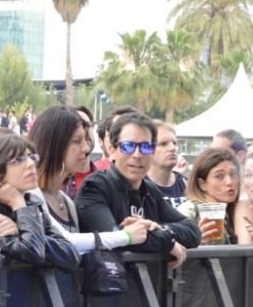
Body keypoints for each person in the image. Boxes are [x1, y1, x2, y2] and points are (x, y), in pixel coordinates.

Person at [75, 112, 200, 268]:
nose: (137, 155)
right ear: (112, 150)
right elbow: (116, 237)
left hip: (148, 288)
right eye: (128, 146)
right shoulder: (94, 187)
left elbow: (193, 231)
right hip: (106, 287)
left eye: (146, 147)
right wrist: (167, 241)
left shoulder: (150, 191)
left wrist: (159, 228)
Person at [28, 106, 147, 251]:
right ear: (54, 144)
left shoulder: (66, 202)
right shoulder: (31, 195)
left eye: (85, 140)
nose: (86, 148)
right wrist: (126, 236)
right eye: (77, 141)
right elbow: (65, 241)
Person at [0, 130, 79, 270]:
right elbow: (33, 253)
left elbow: (71, 256)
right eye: (18, 160)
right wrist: (18, 204)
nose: (30, 164)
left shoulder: (31, 201)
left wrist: (20, 229)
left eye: (31, 157)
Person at [147, 121, 186, 209]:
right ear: (147, 148)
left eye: (175, 143)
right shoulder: (140, 186)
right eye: (163, 143)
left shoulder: (186, 184)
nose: (172, 148)